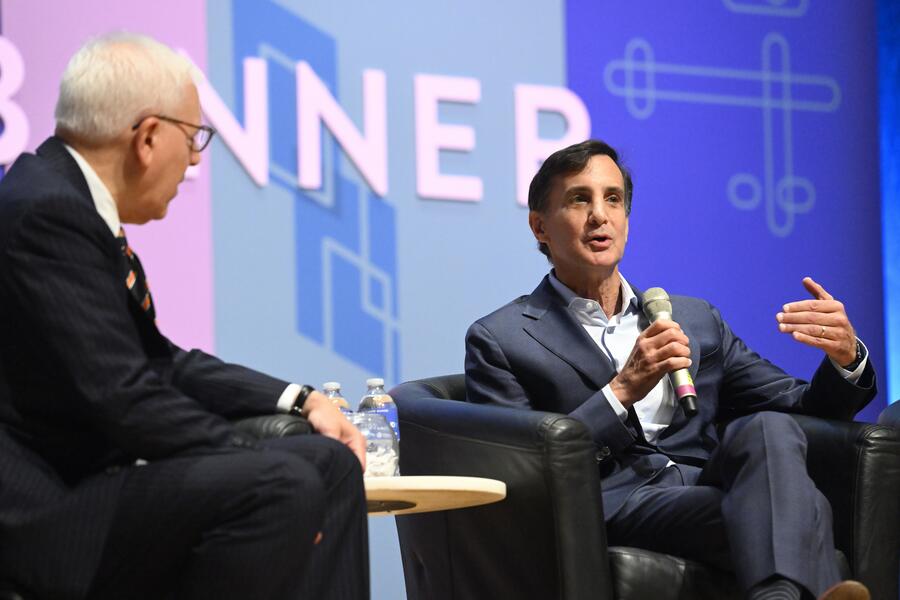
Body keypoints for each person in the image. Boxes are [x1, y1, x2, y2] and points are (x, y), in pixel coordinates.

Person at [0, 33, 369, 599]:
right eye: (193, 136)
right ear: (148, 137)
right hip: (49, 510)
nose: (196, 157)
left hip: (89, 482)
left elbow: (161, 363)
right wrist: (250, 455)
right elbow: (123, 395)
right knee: (284, 482)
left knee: (328, 465)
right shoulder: (47, 211)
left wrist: (301, 398)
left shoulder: (70, 201)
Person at [465, 140, 875, 600]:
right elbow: (520, 473)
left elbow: (802, 406)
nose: (600, 215)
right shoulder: (503, 338)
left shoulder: (694, 318)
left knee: (768, 428)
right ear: (540, 227)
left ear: (626, 219)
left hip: (708, 483)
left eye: (613, 199)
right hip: (616, 503)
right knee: (799, 512)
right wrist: (621, 391)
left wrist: (846, 357)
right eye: (580, 199)